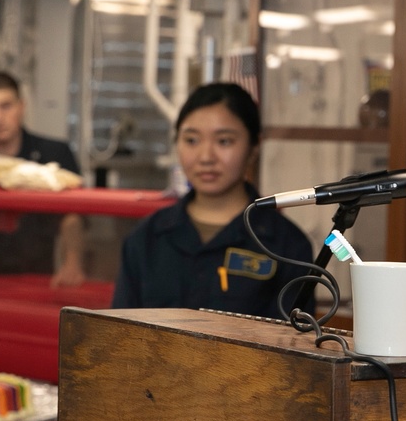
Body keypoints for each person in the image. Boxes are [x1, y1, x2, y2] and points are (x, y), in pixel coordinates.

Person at [112, 83, 316, 318]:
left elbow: (293, 345)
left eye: (224, 142)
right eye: (191, 140)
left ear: (254, 147)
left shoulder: (287, 245)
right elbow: (119, 333)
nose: (206, 157)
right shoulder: (146, 238)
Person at [0, 71, 86, 287]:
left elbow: (72, 215)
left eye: (6, 106)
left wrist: (72, 262)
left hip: (41, 278)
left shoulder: (55, 154)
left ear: (22, 106)